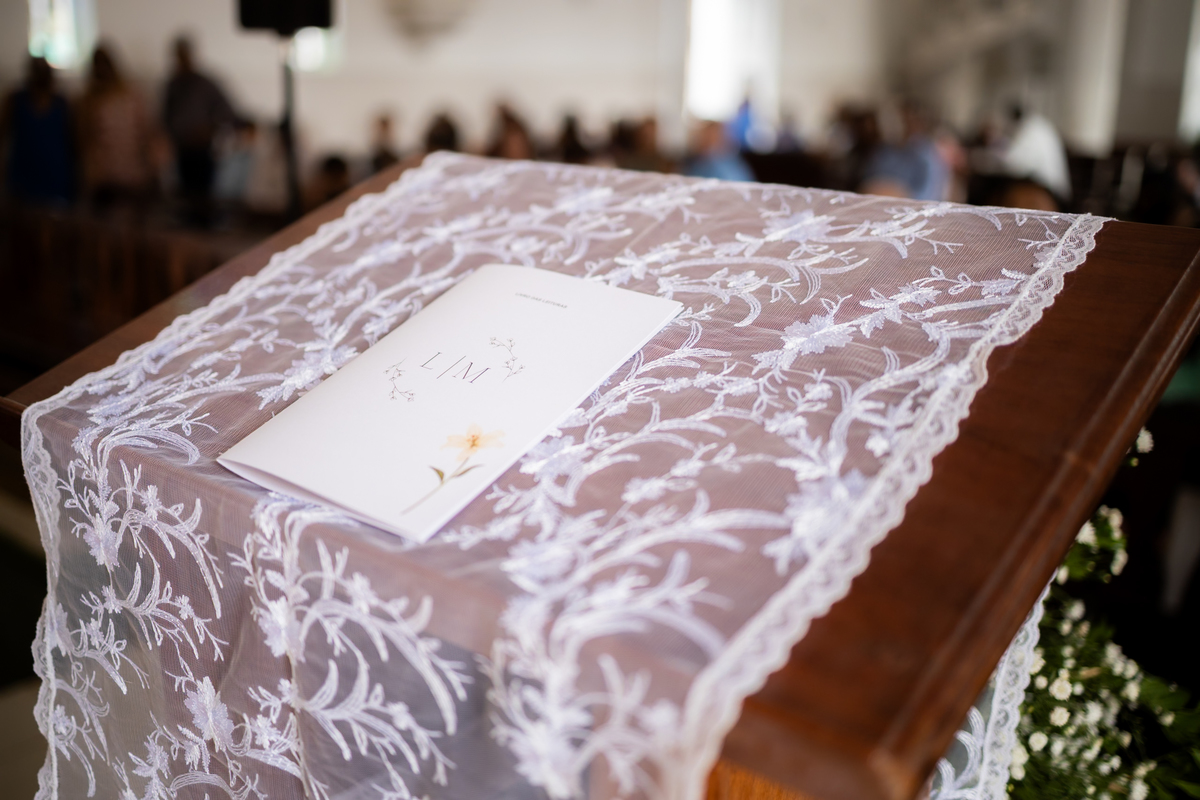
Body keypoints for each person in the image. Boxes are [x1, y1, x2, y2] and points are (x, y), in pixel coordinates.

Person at [162, 35, 235, 225]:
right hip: (183, 149)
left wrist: (210, 129)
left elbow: (226, 111)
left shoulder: (206, 84)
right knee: (187, 195)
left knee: (204, 195)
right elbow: (165, 117)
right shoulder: (173, 85)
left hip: (203, 149)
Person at [78, 44, 158, 215]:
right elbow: (85, 139)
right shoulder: (89, 102)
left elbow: (146, 134)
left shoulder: (131, 97)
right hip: (104, 179)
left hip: (133, 177)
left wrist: (151, 168)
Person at [0, 57, 74, 206]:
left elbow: (72, 141)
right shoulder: (16, 100)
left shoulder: (61, 103)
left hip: (55, 178)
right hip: (23, 177)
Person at [1002, 104, 1071, 203]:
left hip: (1049, 190)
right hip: (1052, 187)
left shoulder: (1030, 128)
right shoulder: (1040, 124)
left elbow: (1015, 161)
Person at [683, 120, 754, 182]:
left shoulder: (728, 163)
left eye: (712, 136)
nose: (708, 140)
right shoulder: (697, 162)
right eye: (707, 137)